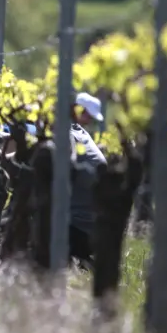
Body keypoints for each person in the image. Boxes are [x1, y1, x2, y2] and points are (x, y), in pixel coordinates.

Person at [69, 91, 107, 267]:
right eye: (87, 115)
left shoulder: (71, 134)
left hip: (77, 226)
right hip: (94, 224)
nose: (90, 120)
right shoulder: (81, 133)